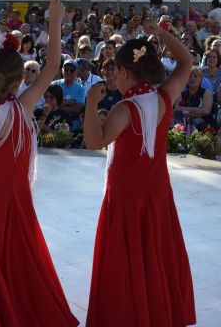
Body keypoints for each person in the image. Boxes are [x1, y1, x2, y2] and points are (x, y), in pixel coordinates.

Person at [0, 0, 78, 327]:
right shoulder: (19, 108)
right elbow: (51, 66)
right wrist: (54, 20)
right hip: (6, 198)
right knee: (11, 260)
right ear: (18, 82)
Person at [84, 20, 195, 327]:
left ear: (124, 72)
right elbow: (186, 61)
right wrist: (162, 35)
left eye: (115, 71)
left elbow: (94, 142)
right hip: (157, 193)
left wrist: (90, 104)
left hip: (126, 198)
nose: (113, 77)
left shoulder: (125, 109)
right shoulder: (163, 97)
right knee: (154, 258)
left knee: (126, 261)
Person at [175, 66, 214, 132]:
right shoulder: (181, 93)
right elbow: (177, 108)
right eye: (190, 76)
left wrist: (187, 114)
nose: (192, 79)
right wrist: (197, 109)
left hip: (202, 122)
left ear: (201, 79)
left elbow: (206, 111)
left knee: (194, 123)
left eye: (195, 76)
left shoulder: (206, 93)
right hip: (184, 121)